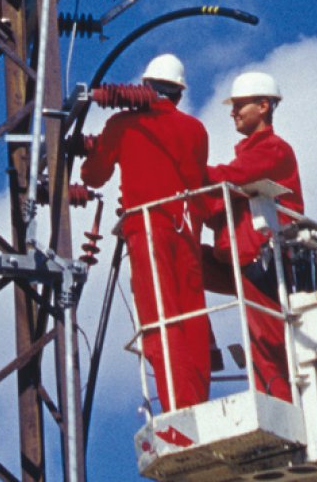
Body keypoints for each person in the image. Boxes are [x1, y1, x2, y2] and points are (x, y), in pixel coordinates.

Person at [79, 54, 211, 411]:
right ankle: (198, 404)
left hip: (147, 228)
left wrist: (90, 148)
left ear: (145, 89)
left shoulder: (124, 125)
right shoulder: (197, 130)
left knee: (159, 321)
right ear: (179, 94)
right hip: (187, 230)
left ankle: (178, 411)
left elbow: (93, 177)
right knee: (191, 318)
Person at [199, 71, 305, 401]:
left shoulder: (274, 151)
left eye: (239, 106)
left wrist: (182, 170)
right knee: (181, 259)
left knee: (268, 338)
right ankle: (206, 348)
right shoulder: (250, 154)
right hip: (239, 259)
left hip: (267, 260)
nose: (233, 112)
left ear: (263, 106)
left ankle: (280, 406)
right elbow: (220, 199)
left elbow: (231, 178)